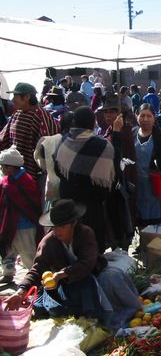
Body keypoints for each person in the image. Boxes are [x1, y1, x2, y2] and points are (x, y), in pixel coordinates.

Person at [5, 199, 141, 329]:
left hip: (92, 273)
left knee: (111, 277)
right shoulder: (49, 242)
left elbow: (87, 263)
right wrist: (22, 291)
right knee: (48, 304)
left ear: (74, 223)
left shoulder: (85, 233)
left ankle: (117, 314)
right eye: (55, 227)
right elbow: (38, 268)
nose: (57, 231)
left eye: (62, 226)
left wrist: (63, 273)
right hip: (66, 284)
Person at [54, 106, 115, 253]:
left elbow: (58, 170)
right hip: (91, 205)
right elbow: (107, 183)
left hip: (68, 203)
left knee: (71, 245)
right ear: (93, 122)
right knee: (92, 246)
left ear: (74, 121)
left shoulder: (63, 141)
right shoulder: (103, 146)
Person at [99, 95, 137, 248]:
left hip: (123, 184)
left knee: (123, 219)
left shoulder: (125, 131)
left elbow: (120, 157)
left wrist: (117, 133)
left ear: (120, 113)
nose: (108, 115)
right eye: (106, 112)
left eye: (112, 111)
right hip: (110, 183)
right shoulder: (108, 130)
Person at [0, 82, 60, 180]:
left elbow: (48, 147)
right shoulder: (17, 114)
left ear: (27, 97)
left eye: (16, 96)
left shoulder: (41, 116)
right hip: (14, 173)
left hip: (33, 175)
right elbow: (4, 137)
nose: (13, 100)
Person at [0, 146, 42, 284]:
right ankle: (8, 273)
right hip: (9, 224)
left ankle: (35, 277)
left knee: (28, 253)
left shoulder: (26, 181)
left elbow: (31, 204)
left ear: (13, 167)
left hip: (25, 225)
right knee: (8, 251)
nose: (2, 169)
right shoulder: (7, 180)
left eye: (4, 166)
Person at [133, 104, 161, 226]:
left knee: (155, 218)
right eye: (142, 115)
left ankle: (153, 242)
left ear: (154, 118)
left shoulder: (160, 136)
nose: (145, 119)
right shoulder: (133, 133)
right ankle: (142, 242)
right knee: (139, 217)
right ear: (137, 116)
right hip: (136, 184)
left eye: (149, 116)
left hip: (155, 184)